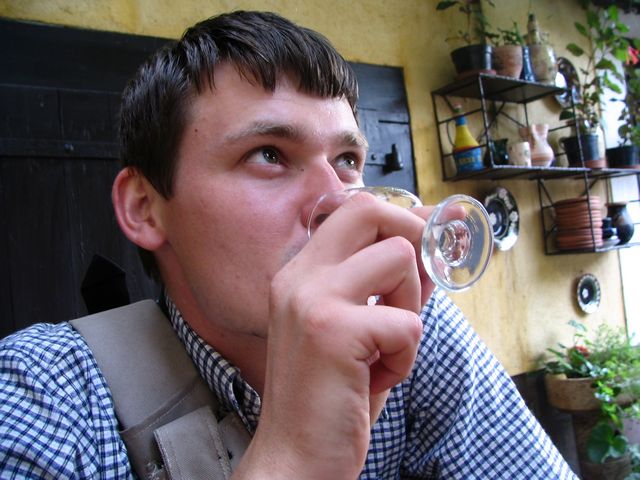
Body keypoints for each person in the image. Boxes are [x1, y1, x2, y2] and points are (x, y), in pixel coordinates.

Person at [0, 10, 577, 479]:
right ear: (145, 207)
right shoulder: (45, 394)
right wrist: (293, 461)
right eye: (269, 154)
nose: (338, 202)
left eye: (346, 160)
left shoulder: (408, 327)